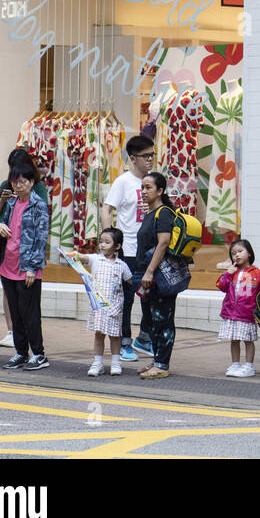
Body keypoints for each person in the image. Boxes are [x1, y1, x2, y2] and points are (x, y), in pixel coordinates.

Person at [102, 134, 156, 362]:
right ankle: (125, 342)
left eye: (153, 155)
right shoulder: (123, 182)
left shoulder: (153, 181)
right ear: (133, 159)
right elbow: (106, 209)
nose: (151, 160)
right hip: (129, 250)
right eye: (146, 156)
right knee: (126, 299)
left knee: (150, 297)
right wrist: (110, 242)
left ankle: (144, 337)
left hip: (149, 250)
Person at [0, 161, 51, 371]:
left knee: (30, 313)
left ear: (32, 182)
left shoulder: (38, 205)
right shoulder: (11, 203)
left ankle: (39, 354)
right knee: (16, 313)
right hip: (8, 264)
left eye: (23, 182)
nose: (18, 186)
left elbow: (40, 239)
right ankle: (20, 352)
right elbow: (3, 223)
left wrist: (32, 268)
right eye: (15, 182)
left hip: (27, 268)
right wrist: (0, 226)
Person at [135, 172, 182, 379]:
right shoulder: (151, 213)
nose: (144, 192)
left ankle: (162, 364)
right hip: (150, 276)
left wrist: (150, 271)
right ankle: (156, 360)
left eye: (148, 188)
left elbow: (163, 243)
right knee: (152, 319)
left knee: (163, 319)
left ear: (160, 191)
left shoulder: (163, 213)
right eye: (142, 188)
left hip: (159, 275)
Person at [71, 229, 133, 376]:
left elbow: (130, 280)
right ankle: (97, 363)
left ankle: (116, 363)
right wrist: (71, 255)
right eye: (101, 242)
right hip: (98, 306)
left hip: (114, 307)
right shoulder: (95, 259)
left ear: (117, 246)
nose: (102, 245)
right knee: (98, 334)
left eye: (107, 242)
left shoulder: (121, 265)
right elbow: (81, 257)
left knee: (115, 336)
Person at [0, 148, 36, 348]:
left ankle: (28, 336)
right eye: (12, 170)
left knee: (26, 295)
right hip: (6, 245)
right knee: (8, 291)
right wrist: (2, 200)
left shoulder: (36, 187)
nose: (16, 179)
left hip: (25, 249)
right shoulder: (5, 185)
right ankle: (11, 330)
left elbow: (40, 221)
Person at [217, 239, 260, 377]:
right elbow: (221, 286)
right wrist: (228, 272)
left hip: (247, 314)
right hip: (231, 313)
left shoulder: (258, 273)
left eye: (240, 251)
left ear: (249, 253)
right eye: (233, 253)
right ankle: (235, 364)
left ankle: (249, 366)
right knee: (234, 339)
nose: (237, 255)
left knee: (248, 340)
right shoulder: (232, 272)